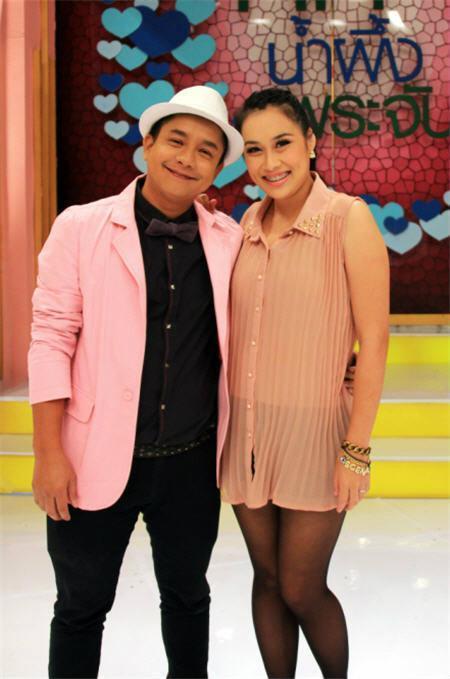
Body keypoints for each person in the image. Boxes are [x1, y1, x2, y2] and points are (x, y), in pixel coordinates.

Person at [28, 85, 244, 679]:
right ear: (148, 144)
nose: (187, 158)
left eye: (206, 150)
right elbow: (50, 338)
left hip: (191, 462)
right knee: (80, 607)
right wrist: (48, 453)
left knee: (188, 598)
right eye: (176, 140)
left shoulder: (229, 240)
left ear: (216, 170)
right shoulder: (80, 226)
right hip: (92, 455)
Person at [219, 88, 390, 679]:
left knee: (301, 585)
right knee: (267, 579)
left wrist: (356, 450)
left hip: (316, 433)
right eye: (254, 150)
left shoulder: (347, 218)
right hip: (246, 430)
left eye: (283, 143)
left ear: (312, 142)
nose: (270, 163)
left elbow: (375, 342)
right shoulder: (247, 223)